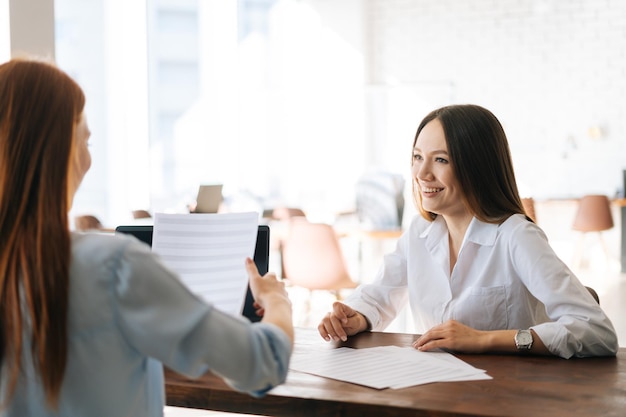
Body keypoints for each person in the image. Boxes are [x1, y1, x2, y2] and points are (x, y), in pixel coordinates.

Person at [0, 58, 294, 416]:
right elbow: (262, 364)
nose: (88, 160)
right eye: (86, 141)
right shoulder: (112, 268)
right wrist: (276, 301)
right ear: (60, 152)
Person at [318, 104, 619, 359]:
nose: (422, 174)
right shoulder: (419, 232)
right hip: (434, 390)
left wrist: (484, 339)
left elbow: (596, 330)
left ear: (477, 167)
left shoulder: (515, 236)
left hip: (506, 396)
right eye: (417, 157)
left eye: (440, 160)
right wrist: (356, 316)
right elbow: (380, 295)